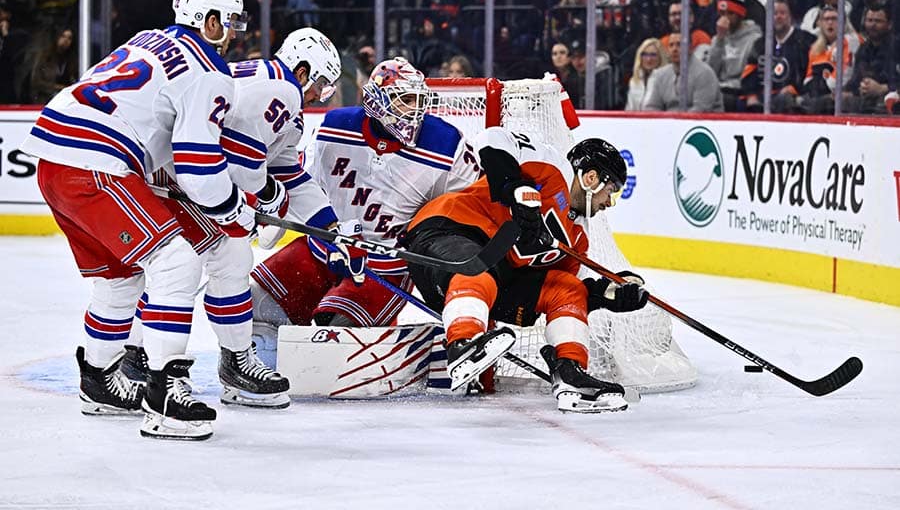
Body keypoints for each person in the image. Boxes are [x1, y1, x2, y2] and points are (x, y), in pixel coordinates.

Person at [19, 0, 251, 440]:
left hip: (55, 159)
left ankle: (100, 380)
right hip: (97, 164)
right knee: (178, 261)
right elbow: (199, 165)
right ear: (209, 21)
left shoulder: (148, 39)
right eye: (229, 22)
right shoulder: (210, 68)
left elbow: (152, 130)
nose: (233, 33)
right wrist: (233, 209)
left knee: (119, 278)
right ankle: (164, 392)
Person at [121, 27, 345, 410]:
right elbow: (244, 166)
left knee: (226, 262)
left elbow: (287, 170)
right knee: (186, 271)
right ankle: (152, 362)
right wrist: (267, 196)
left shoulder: (265, 84)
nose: (317, 95)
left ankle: (203, 360)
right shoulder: (280, 89)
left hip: (186, 179)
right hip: (186, 181)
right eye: (321, 84)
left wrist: (328, 227)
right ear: (303, 70)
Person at [403, 129, 649, 412]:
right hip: (445, 233)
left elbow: (574, 288)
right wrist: (515, 187)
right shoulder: (553, 168)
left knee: (568, 289)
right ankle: (463, 344)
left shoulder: (578, 237)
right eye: (611, 192)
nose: (609, 203)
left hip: (492, 283)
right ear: (592, 178)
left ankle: (570, 375)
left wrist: (610, 292)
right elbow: (493, 138)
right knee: (481, 265)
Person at [249, 57, 481, 337]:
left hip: (384, 267)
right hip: (322, 250)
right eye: (405, 100)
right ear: (376, 100)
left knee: (336, 332)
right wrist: (274, 218)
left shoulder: (445, 142)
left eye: (419, 101)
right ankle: (267, 371)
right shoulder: (335, 126)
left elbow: (470, 201)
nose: (415, 111)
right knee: (257, 306)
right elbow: (301, 182)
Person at [741, 0, 815, 113]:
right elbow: (749, 73)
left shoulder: (806, 41)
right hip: (763, 96)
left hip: (792, 97)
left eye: (782, 13)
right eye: (774, 13)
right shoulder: (760, 44)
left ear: (790, 17)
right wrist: (751, 95)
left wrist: (796, 89)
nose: (778, 17)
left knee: (785, 101)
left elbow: (811, 74)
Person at [708, 0, 762, 111]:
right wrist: (719, 40)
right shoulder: (718, 38)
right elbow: (711, 72)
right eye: (722, 13)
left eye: (730, 13)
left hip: (739, 90)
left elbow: (745, 72)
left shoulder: (754, 39)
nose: (725, 18)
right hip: (719, 89)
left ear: (740, 15)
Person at [644, 32, 723, 112]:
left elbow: (701, 109)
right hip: (669, 122)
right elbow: (652, 106)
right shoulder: (661, 74)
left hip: (700, 123)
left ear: (690, 48)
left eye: (679, 45)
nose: (674, 49)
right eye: (671, 45)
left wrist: (675, 123)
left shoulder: (705, 73)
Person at [843, 4, 898, 115]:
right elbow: (855, 80)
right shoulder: (863, 49)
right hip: (863, 101)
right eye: (869, 20)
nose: (873, 25)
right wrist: (846, 92)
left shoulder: (897, 47)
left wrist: (883, 88)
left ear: (889, 24)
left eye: (878, 21)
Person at [29, 27, 77, 104]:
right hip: (44, 100)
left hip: (65, 101)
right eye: (63, 36)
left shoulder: (71, 60)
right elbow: (36, 81)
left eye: (69, 38)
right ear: (57, 37)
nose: (66, 40)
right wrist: (59, 87)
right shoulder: (44, 57)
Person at [626, 37, 668, 111]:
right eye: (644, 54)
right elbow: (629, 109)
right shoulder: (634, 81)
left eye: (653, 55)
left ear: (661, 57)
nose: (648, 59)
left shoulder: (667, 82)